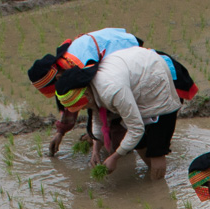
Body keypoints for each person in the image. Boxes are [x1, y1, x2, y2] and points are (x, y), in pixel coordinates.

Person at [26, 32, 195, 157]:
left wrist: (111, 152)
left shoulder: (86, 70)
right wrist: (61, 132)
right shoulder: (66, 70)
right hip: (119, 73)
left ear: (57, 77)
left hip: (139, 65)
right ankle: (120, 143)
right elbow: (80, 103)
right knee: (108, 113)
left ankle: (131, 147)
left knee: (123, 120)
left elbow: (96, 104)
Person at [41, 48, 181, 180]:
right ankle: (152, 177)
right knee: (140, 143)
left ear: (87, 95)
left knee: (156, 148)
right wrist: (96, 150)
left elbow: (136, 128)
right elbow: (97, 117)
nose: (83, 109)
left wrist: (115, 157)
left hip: (156, 78)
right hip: (137, 80)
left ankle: (158, 190)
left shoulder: (111, 90)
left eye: (81, 106)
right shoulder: (91, 86)